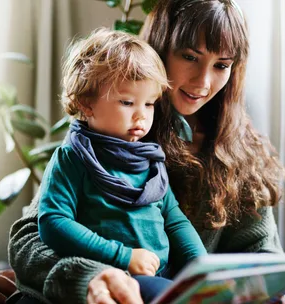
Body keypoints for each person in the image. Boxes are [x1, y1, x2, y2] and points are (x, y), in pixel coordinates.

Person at [8, 0, 285, 303]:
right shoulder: (107, 131)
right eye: (190, 57)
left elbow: (262, 255)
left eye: (221, 65)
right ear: (160, 47)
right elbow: (29, 239)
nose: (203, 82)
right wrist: (90, 277)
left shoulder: (241, 152)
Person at [36, 27, 207, 302]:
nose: (142, 116)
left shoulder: (151, 161)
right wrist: (123, 256)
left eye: (149, 104)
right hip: (113, 280)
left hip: (161, 276)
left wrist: (202, 267)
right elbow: (53, 222)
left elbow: (175, 223)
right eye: (127, 102)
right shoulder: (73, 157)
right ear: (86, 103)